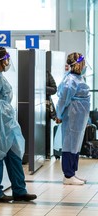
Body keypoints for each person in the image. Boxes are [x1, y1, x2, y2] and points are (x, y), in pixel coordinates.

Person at [0, 47, 37, 202]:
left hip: (6, 121)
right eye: (6, 59)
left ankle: (19, 190)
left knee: (14, 154)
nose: (7, 62)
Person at [55, 52, 90, 185]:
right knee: (69, 144)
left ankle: (73, 173)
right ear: (78, 64)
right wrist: (59, 115)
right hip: (73, 115)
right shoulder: (70, 81)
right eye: (83, 62)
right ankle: (68, 175)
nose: (84, 65)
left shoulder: (79, 78)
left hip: (80, 116)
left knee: (76, 144)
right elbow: (63, 100)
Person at [45, 70, 57, 159]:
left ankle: (46, 153)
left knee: (46, 130)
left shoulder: (46, 73)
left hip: (46, 106)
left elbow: (54, 89)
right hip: (31, 106)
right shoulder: (28, 72)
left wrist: (42, 88)